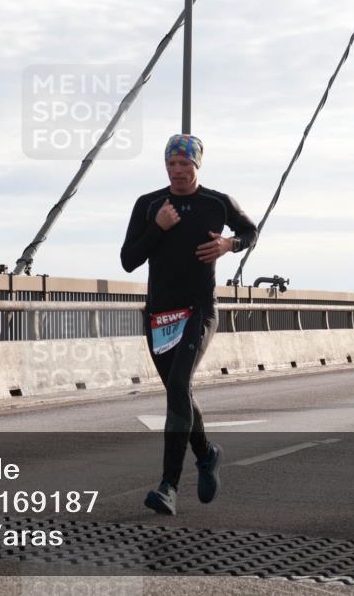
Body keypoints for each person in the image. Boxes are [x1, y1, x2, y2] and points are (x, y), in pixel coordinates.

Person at [120, 133, 258, 515]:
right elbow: (129, 260)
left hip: (199, 310)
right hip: (159, 316)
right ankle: (207, 453)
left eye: (185, 164)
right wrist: (158, 227)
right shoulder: (149, 205)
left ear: (197, 165)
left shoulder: (217, 203)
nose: (177, 170)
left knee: (179, 386)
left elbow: (251, 231)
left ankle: (168, 486)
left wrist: (230, 245)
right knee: (179, 393)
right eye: (171, 164)